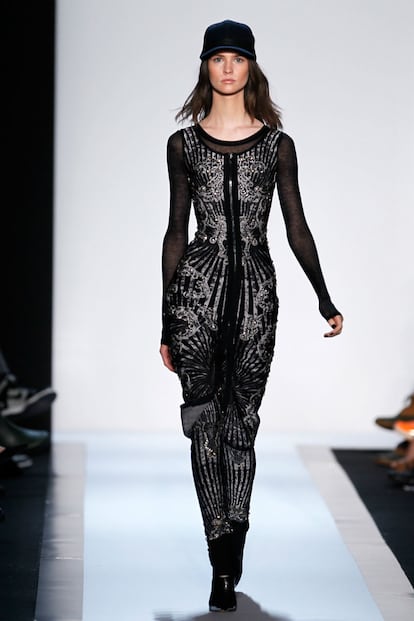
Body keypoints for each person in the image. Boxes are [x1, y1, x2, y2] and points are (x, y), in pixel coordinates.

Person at [160, 19, 343, 612]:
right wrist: (166, 321)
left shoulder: (277, 146)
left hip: (257, 299)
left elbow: (296, 226)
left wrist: (323, 295)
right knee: (203, 423)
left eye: (237, 58)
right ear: (206, 66)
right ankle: (219, 556)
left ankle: (234, 531)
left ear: (251, 67)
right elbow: (176, 231)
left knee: (242, 421)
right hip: (195, 297)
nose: (228, 68)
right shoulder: (183, 145)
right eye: (218, 58)